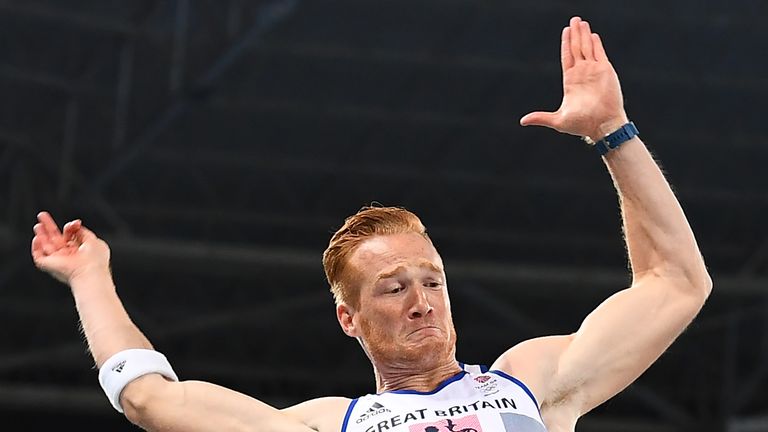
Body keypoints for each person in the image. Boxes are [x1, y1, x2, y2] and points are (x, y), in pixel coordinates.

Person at [31, 16, 711, 432]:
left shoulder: (530, 382)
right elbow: (151, 401)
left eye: (432, 280)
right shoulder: (331, 425)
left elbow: (676, 282)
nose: (422, 302)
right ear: (348, 319)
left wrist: (612, 134)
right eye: (392, 288)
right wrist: (90, 277)